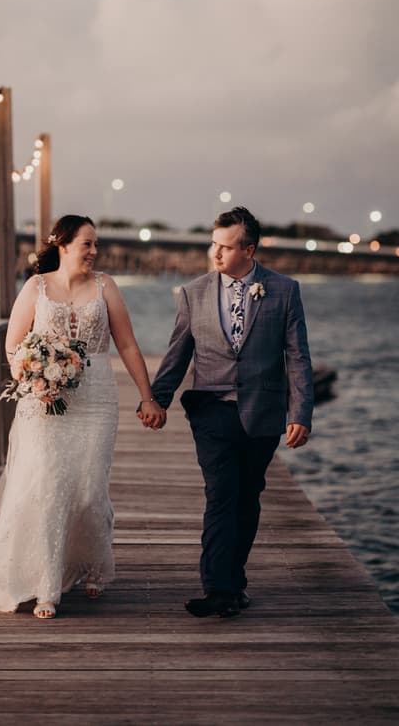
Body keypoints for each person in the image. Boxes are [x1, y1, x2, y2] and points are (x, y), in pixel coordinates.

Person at [0, 214, 163, 619]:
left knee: (89, 486)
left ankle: (90, 565)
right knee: (48, 484)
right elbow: (13, 349)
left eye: (96, 245)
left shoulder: (106, 286)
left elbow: (128, 346)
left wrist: (147, 397)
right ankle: (46, 586)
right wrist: (35, 381)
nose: (94, 252)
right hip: (43, 401)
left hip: (96, 399)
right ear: (62, 244)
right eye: (87, 244)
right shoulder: (36, 288)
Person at [140, 206, 313, 618]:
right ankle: (218, 588)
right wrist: (156, 400)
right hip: (212, 411)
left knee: (247, 498)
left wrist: (301, 412)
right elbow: (178, 352)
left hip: (262, 414)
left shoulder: (284, 290)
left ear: (248, 250)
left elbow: (297, 357)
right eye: (212, 244)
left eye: (225, 246)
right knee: (221, 495)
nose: (215, 254)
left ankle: (235, 581)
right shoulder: (193, 292)